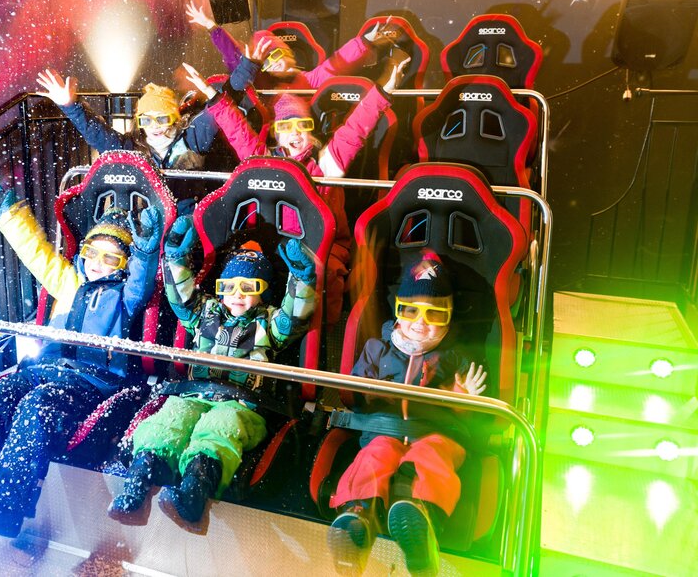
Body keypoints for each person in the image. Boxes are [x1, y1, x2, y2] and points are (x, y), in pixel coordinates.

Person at [0, 178, 162, 537]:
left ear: (123, 263)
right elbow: (35, 252)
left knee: (38, 406)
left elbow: (142, 279)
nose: (97, 263)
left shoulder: (125, 296)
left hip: (88, 378)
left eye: (111, 257)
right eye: (92, 252)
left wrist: (145, 247)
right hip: (44, 367)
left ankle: (3, 507)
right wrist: (7, 212)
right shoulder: (68, 281)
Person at [107, 215, 317, 524]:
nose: (237, 294)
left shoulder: (268, 323)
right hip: (195, 394)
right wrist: (176, 256)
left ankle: (194, 491)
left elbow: (295, 315)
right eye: (228, 286)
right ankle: (139, 482)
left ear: (263, 292)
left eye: (248, 287)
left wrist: (301, 277)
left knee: (219, 428)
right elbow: (181, 297)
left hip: (241, 404)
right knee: (169, 420)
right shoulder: (206, 314)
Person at [180, 42, 407, 325]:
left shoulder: (325, 163)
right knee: (241, 266)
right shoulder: (266, 161)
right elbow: (238, 131)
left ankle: (319, 333)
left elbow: (354, 130)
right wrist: (214, 96)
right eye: (287, 127)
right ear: (276, 133)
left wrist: (383, 91)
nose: (296, 134)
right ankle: (245, 329)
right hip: (273, 244)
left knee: (326, 274)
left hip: (317, 246)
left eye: (303, 126)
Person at [326, 250, 487, 576]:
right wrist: (370, 390)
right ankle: (358, 519)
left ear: (449, 317)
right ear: (398, 312)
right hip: (384, 430)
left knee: (431, 458)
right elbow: (353, 395)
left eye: (434, 314)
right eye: (410, 310)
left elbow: (476, 415)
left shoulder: (456, 356)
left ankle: (420, 523)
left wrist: (462, 399)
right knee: (375, 457)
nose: (420, 323)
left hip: (435, 432)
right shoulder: (377, 348)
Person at [36, 70, 225, 212]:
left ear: (174, 118)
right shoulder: (132, 146)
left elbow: (218, 114)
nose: (154, 126)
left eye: (162, 119)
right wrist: (70, 106)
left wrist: (212, 90)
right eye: (146, 120)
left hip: (185, 218)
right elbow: (98, 135)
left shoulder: (191, 138)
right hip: (145, 221)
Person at [186, 0, 398, 94]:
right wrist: (211, 27)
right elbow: (235, 58)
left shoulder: (308, 80)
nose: (274, 63)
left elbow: (338, 63)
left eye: (275, 55)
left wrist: (366, 41)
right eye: (266, 62)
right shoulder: (262, 84)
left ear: (288, 53)